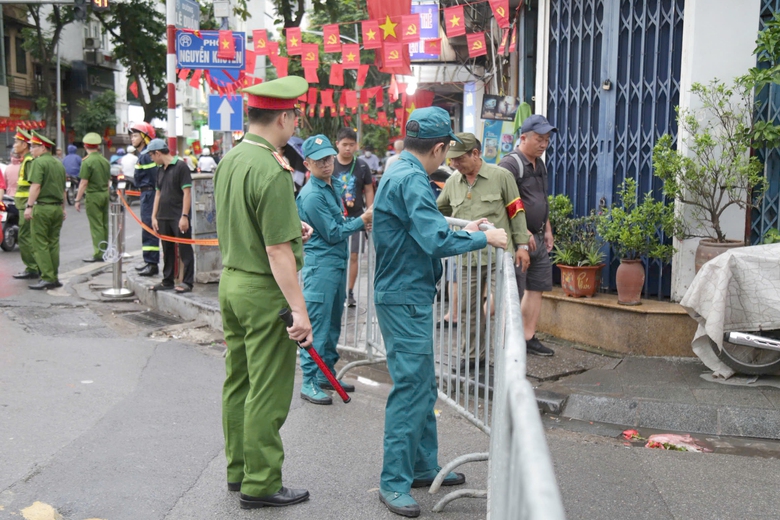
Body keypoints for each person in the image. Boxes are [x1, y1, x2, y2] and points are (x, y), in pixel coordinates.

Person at [372, 107, 508, 517]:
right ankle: (393, 482)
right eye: (446, 154)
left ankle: (422, 466)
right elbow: (432, 238)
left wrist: (464, 227)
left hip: (405, 293)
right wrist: (485, 237)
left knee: (423, 385)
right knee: (412, 389)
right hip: (404, 295)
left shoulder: (398, 168)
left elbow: (423, 222)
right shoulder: (411, 177)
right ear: (438, 147)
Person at [213, 76, 313, 510]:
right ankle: (261, 482)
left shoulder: (231, 158)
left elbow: (253, 225)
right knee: (267, 389)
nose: (296, 124)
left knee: (238, 381)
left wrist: (295, 232)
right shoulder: (272, 168)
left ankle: (239, 471)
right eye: (296, 116)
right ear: (285, 116)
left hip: (232, 281)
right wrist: (299, 311)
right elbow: (275, 250)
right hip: (263, 288)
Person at [437, 132, 531, 370]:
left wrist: (521, 246)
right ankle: (472, 358)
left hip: (499, 257)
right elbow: (438, 211)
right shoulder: (452, 182)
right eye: (451, 159)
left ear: (476, 154)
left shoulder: (502, 176)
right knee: (468, 310)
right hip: (468, 258)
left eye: (458, 159)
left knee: (500, 307)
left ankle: (505, 360)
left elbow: (516, 212)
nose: (453, 164)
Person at [295, 134, 373, 405]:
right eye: (319, 162)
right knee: (316, 325)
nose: (326, 165)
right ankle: (308, 381)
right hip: (322, 266)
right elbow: (332, 232)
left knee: (332, 325)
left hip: (336, 264)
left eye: (328, 159)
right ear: (307, 164)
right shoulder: (312, 195)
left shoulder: (330, 186)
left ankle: (325, 374)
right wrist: (361, 221)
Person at [498, 114, 558, 357]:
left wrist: (547, 229)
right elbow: (504, 203)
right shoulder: (510, 165)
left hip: (537, 237)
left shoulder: (539, 164)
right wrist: (521, 234)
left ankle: (527, 337)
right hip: (519, 240)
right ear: (523, 137)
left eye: (547, 140)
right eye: (539, 139)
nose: (544, 144)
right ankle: (499, 339)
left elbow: (541, 200)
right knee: (513, 292)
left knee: (537, 287)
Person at [146, 138, 194, 293]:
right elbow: (158, 194)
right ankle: (167, 280)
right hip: (163, 216)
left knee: (185, 249)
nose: (152, 159)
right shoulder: (160, 170)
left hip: (178, 216)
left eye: (152, 156)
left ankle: (187, 281)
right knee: (167, 250)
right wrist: (154, 216)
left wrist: (184, 216)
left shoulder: (181, 167)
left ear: (158, 153)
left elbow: (187, 193)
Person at [333, 127, 374, 307]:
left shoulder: (362, 166)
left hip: (357, 217)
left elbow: (368, 190)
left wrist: (370, 213)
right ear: (337, 145)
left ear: (357, 145)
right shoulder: (330, 164)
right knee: (338, 254)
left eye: (351, 144)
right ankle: (337, 289)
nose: (348, 148)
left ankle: (349, 291)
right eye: (344, 145)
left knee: (354, 255)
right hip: (336, 217)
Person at [24, 131, 66, 290]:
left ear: (42, 147)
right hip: (56, 208)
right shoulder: (58, 163)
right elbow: (63, 189)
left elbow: (36, 186)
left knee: (40, 243)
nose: (31, 150)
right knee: (53, 243)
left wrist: (29, 206)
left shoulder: (38, 162)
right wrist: (62, 208)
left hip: (42, 207)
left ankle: (47, 277)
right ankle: (54, 276)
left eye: (33, 147)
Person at [129, 122, 160, 276]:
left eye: (135, 135)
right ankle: (149, 261)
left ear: (145, 137)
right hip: (146, 194)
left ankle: (152, 264)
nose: (132, 138)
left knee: (149, 228)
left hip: (149, 194)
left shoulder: (146, 156)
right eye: (131, 135)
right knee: (147, 228)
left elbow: (155, 179)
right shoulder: (143, 155)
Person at [75, 133, 111, 263]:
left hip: (93, 195)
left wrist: (77, 199)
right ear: (97, 146)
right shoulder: (105, 161)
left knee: (96, 225)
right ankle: (105, 250)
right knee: (104, 223)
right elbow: (108, 181)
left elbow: (84, 182)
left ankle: (98, 253)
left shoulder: (87, 161)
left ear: (85, 146)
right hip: (105, 194)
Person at [12, 129, 40, 280]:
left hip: (26, 206)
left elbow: (34, 185)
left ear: (24, 144)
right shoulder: (26, 160)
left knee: (25, 236)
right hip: (24, 204)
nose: (14, 145)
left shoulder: (29, 161)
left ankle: (32, 268)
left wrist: (30, 206)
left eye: (17, 142)